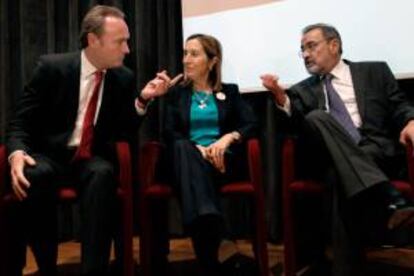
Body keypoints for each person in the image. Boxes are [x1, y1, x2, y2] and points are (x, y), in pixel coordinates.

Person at [5, 5, 181, 276]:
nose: (127, 50)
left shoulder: (123, 78)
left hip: (88, 159)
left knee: (103, 173)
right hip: (49, 156)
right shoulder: (52, 68)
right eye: (120, 42)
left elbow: (124, 131)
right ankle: (46, 266)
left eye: (128, 41)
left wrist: (143, 99)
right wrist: (16, 152)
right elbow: (20, 122)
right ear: (93, 40)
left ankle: (93, 269)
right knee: (34, 174)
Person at [261, 23, 414, 275]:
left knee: (338, 176)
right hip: (326, 155)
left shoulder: (374, 71)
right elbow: (294, 123)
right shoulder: (301, 90)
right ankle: (390, 197)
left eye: (311, 46)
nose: (306, 54)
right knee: (316, 118)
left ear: (334, 45)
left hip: (374, 151)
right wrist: (281, 99)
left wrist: (411, 121)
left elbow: (399, 104)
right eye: (302, 50)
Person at [163, 34, 257, 274]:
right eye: (185, 53)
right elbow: (170, 133)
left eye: (194, 54)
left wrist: (227, 138)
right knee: (184, 148)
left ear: (213, 61)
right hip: (185, 162)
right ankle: (219, 233)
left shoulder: (230, 92)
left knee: (196, 176)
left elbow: (250, 124)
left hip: (221, 163)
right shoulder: (176, 94)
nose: (186, 60)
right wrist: (198, 150)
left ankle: (209, 260)